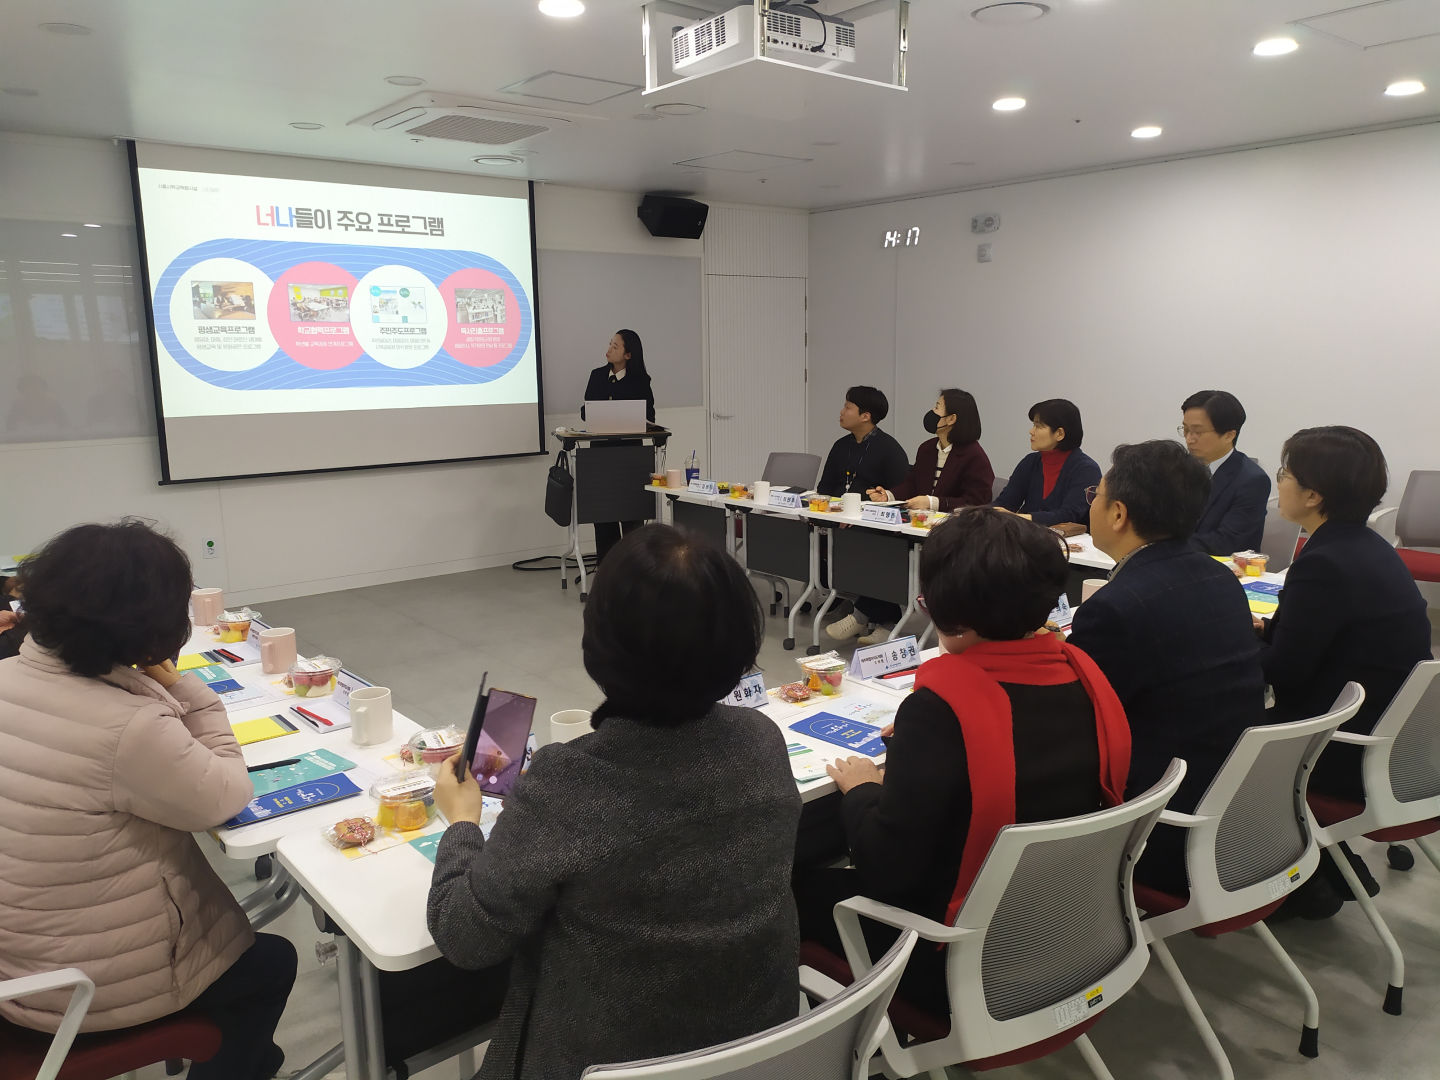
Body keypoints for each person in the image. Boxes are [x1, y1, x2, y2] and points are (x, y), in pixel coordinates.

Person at [428, 524, 801, 1078]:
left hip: (601, 1059)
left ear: (599, 645)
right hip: (753, 1050)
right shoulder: (761, 741)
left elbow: (464, 936)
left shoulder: (569, 783)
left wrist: (462, 821)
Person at [795, 509, 1130, 1015]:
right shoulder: (1085, 677)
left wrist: (863, 788)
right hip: (1069, 928)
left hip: (956, 958)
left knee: (792, 881)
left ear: (949, 610)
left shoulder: (941, 711)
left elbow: (885, 869)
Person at [0, 521, 296, 1080]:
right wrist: (188, 692)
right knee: (271, 964)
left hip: (18, 967)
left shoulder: (7, 675)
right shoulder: (129, 729)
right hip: (87, 995)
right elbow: (225, 795)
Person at [1066, 440, 1266, 893]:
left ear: (1118, 514)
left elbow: (1072, 716)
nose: (1091, 506)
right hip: (1232, 807)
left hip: (1157, 822)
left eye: (1094, 496)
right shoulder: (1221, 579)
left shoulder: (1117, 607)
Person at [1261, 427, 1432, 801]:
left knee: (1196, 733)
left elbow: (1283, 672)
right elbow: (1318, 633)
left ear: (1313, 495)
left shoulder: (1324, 562)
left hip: (1338, 750)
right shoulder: (1368, 546)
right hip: (1399, 744)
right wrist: (1263, 628)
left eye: (1284, 475)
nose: (1280, 484)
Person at [827, 389, 993, 642]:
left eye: (937, 407)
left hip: (953, 534)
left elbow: (977, 502)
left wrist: (933, 502)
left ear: (951, 419)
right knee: (878, 542)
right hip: (917, 528)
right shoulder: (927, 449)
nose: (931, 412)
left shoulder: (974, 455)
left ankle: (863, 616)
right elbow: (911, 483)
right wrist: (889, 495)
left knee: (890, 551)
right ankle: (880, 620)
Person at [580, 329, 656, 564]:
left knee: (632, 517)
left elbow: (649, 415)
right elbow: (585, 412)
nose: (609, 348)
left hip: (630, 459)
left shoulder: (641, 381)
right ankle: (607, 569)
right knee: (604, 517)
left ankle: (634, 569)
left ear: (628, 355)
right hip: (601, 459)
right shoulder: (597, 376)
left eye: (615, 346)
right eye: (610, 343)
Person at [1181, 389, 1270, 554]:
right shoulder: (1178, 469)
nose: (1189, 439)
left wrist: (1163, 547)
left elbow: (1227, 542)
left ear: (1229, 435)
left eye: (1198, 432)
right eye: (1185, 429)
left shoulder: (1252, 480)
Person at [992, 398, 1102, 526]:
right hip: (1028, 536)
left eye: (1038, 426)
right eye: (1033, 425)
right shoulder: (1030, 462)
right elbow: (1005, 503)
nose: (1031, 431)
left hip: (1068, 542)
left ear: (1059, 434)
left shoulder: (1086, 469)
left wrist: (1018, 518)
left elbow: (1069, 515)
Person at [815, 385, 909, 498]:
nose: (842, 412)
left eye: (847, 408)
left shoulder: (890, 449)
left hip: (868, 512)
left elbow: (899, 495)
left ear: (865, 416)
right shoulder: (840, 445)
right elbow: (825, 488)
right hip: (834, 512)